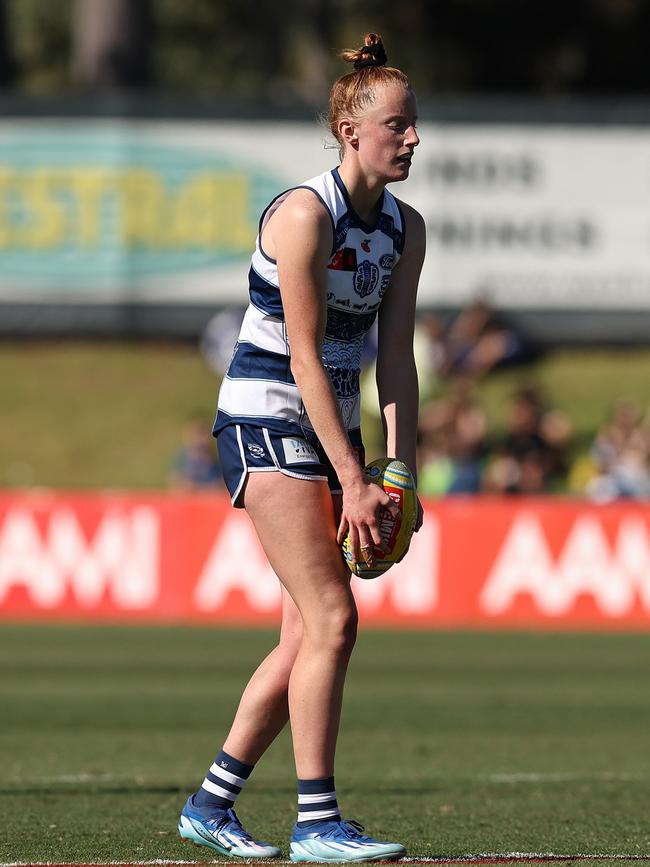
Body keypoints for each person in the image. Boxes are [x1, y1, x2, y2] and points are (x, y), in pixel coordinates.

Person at [178, 33, 424, 862]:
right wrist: (353, 479)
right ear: (351, 132)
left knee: (303, 638)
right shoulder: (301, 215)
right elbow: (306, 356)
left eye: (415, 124)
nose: (414, 139)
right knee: (332, 618)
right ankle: (317, 820)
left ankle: (211, 804)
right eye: (398, 126)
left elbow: (394, 358)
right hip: (264, 417)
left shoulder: (404, 228)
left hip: (330, 433)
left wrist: (399, 469)